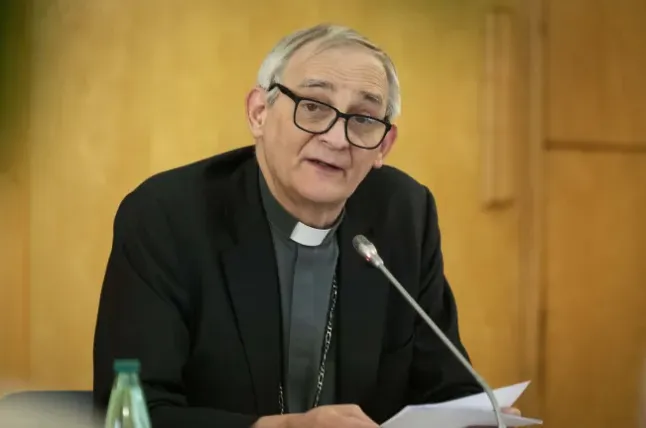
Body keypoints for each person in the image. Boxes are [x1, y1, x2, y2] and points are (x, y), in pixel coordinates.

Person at [92, 24, 519, 428]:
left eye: (363, 119)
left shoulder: (404, 215)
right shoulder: (167, 216)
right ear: (259, 113)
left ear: (383, 146)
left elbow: (445, 387)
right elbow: (131, 412)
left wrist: (476, 417)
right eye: (313, 107)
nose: (337, 138)